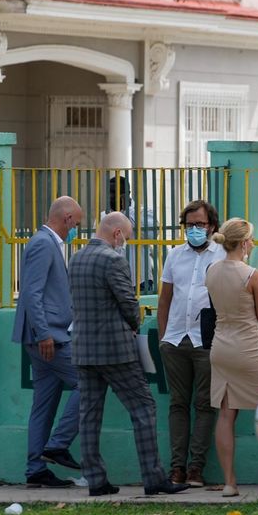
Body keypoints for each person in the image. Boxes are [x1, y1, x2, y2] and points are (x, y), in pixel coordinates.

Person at [69, 212, 189, 497]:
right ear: (117, 234)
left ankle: (96, 480)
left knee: (89, 414)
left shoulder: (76, 259)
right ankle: (154, 477)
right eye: (127, 237)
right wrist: (135, 324)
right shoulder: (113, 260)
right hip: (115, 351)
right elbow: (128, 303)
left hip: (83, 349)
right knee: (143, 408)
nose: (126, 243)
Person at [10, 196, 84, 488]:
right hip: (49, 337)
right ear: (66, 218)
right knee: (88, 384)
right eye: (76, 223)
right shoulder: (43, 244)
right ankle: (58, 444)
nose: (76, 229)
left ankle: (35, 468)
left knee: (44, 403)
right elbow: (32, 293)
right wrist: (44, 333)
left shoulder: (49, 243)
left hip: (50, 335)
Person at [205, 218, 258, 497]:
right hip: (249, 348)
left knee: (225, 414)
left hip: (221, 347)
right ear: (245, 243)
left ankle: (229, 482)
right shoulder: (252, 274)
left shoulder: (211, 270)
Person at [157, 200, 225, 488]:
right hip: (175, 339)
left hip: (207, 341)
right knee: (178, 404)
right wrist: (163, 337)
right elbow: (165, 298)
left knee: (206, 405)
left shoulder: (223, 255)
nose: (194, 230)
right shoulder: (174, 256)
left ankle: (196, 468)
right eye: (190, 225)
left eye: (200, 224)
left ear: (211, 226)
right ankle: (177, 469)